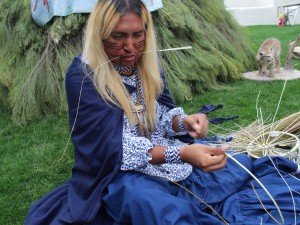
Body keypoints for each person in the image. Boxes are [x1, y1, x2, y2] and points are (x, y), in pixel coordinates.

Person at [25, 0, 300, 224]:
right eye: (118, 36)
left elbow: (156, 113)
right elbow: (109, 149)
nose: (130, 47)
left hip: (161, 153)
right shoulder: (85, 74)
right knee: (149, 204)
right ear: (99, 35)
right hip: (116, 172)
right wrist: (180, 153)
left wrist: (183, 122)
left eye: (138, 34)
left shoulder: (145, 59)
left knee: (235, 166)